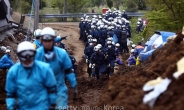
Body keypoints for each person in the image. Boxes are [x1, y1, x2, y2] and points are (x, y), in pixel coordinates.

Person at [5, 41, 57, 110]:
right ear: (19, 57)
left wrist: (52, 105)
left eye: (30, 59)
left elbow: (52, 89)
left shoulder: (45, 69)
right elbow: (10, 94)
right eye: (24, 60)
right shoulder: (13, 72)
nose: (27, 62)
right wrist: (11, 107)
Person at [35, 27, 77, 109]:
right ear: (41, 40)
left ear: (53, 40)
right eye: (45, 41)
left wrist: (73, 85)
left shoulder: (62, 53)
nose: (47, 43)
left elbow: (68, 70)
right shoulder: (37, 54)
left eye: (49, 40)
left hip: (59, 89)